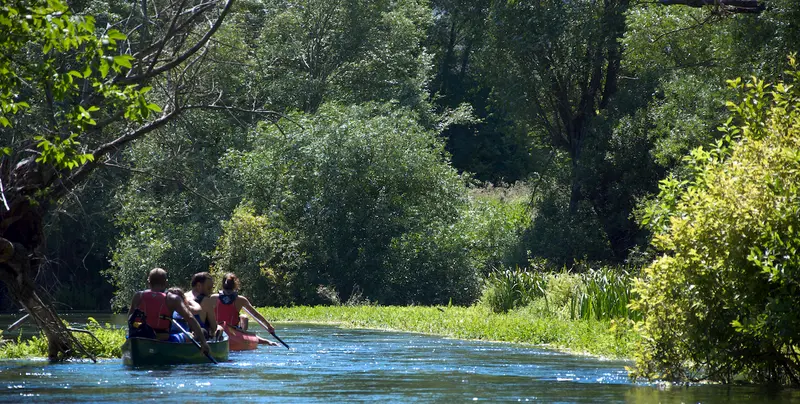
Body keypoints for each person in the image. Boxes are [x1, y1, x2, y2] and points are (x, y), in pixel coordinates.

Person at [127, 268, 210, 355]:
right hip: (163, 339)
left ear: (149, 282)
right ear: (166, 283)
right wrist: (203, 342)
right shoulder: (172, 299)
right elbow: (190, 318)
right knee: (190, 335)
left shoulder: (138, 296)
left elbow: (130, 318)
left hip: (140, 337)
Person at [214, 273, 278, 346]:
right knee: (244, 318)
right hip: (233, 331)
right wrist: (269, 326)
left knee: (243, 317)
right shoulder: (241, 300)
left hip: (217, 330)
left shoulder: (213, 298)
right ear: (235, 285)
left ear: (223, 284)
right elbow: (255, 314)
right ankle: (267, 342)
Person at [185, 272, 220, 338]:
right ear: (199, 285)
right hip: (198, 338)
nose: (211, 292)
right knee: (220, 328)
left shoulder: (183, 296)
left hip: (183, 335)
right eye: (208, 288)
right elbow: (214, 327)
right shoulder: (206, 300)